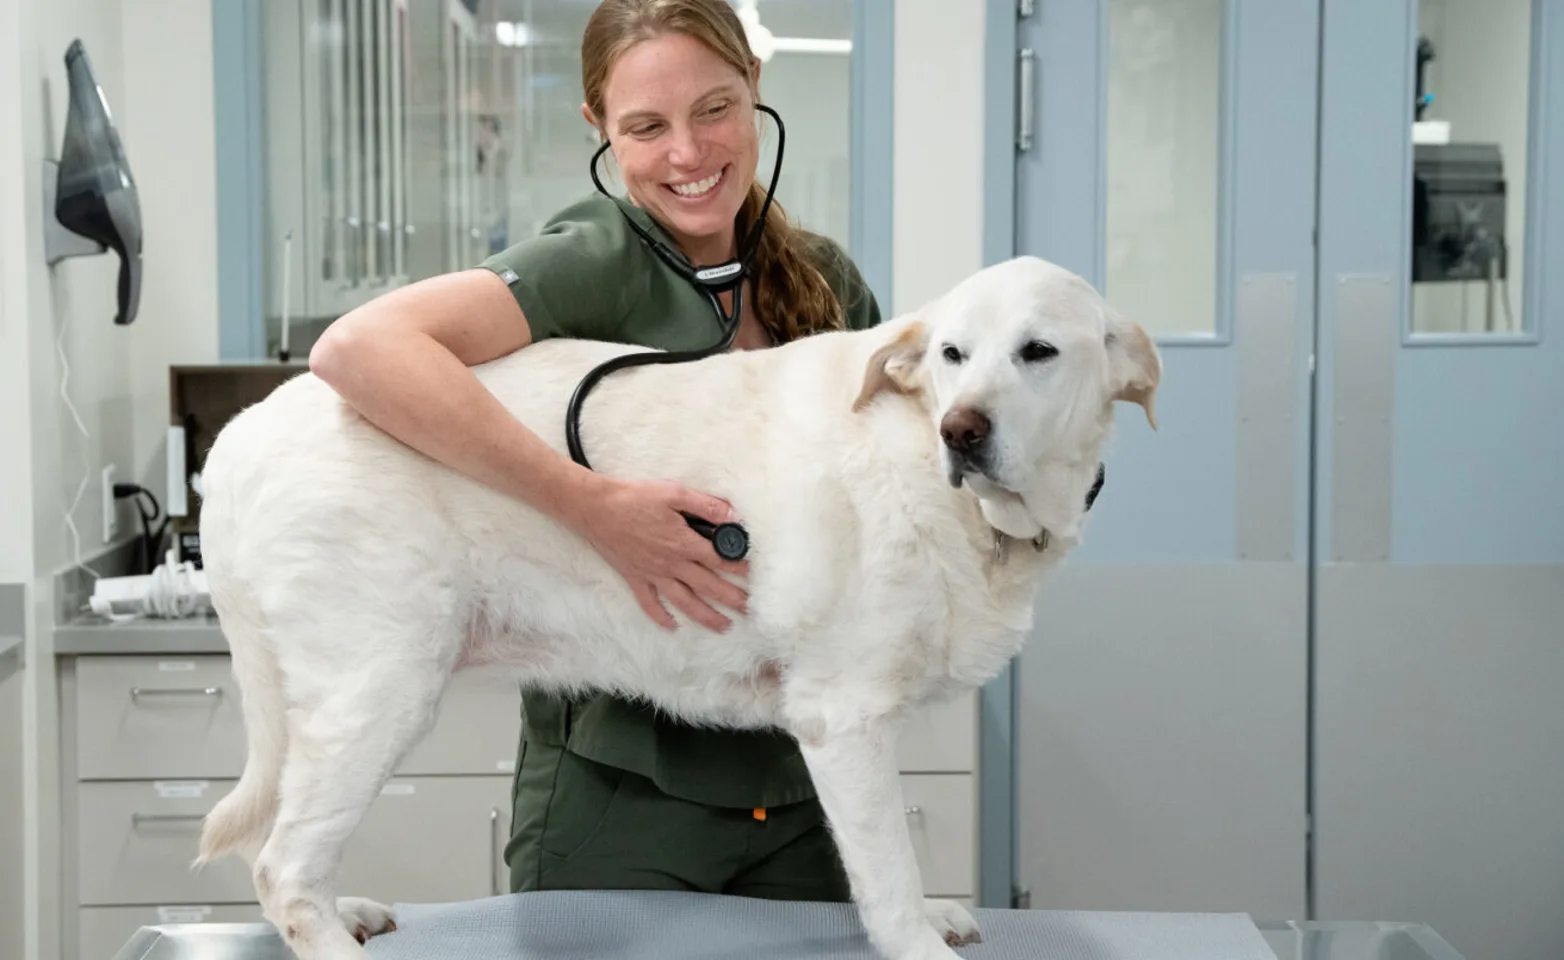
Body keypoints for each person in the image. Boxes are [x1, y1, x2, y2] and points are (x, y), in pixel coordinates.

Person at [308, 0, 881, 901]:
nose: (688, 155)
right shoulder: (595, 261)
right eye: (647, 127)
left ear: (755, 89)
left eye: (715, 109)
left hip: (804, 787)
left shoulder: (826, 281)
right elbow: (358, 352)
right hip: (626, 795)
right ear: (601, 130)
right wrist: (593, 510)